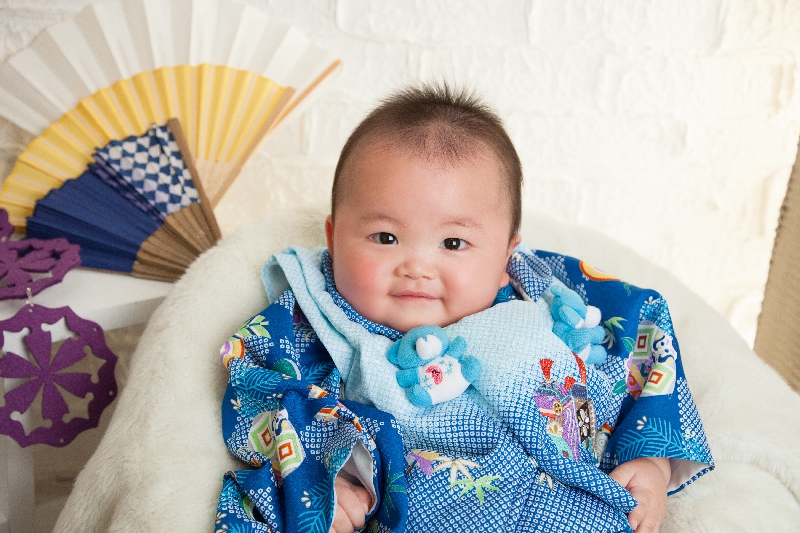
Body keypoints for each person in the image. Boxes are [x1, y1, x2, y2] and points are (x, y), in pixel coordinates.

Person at [215, 84, 713, 533]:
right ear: (333, 238)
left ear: (505, 256)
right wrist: (329, 476)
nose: (416, 266)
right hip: (409, 509)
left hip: (566, 504)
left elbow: (645, 337)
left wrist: (651, 462)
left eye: (453, 243)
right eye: (385, 237)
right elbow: (256, 389)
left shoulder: (545, 296)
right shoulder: (316, 318)